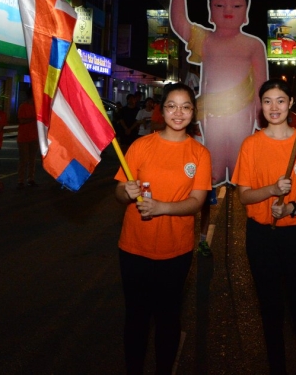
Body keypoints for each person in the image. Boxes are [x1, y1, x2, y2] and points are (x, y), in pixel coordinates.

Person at [234, 79, 296, 375]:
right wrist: (271, 189)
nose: (274, 107)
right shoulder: (251, 145)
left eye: (280, 100)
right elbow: (243, 196)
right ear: (260, 105)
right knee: (270, 310)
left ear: (291, 103)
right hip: (261, 238)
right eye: (267, 101)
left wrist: (292, 206)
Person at [114, 82, 212, 375]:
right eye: (171, 106)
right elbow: (119, 193)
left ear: (193, 112)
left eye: (185, 107)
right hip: (133, 248)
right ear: (161, 110)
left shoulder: (199, 154)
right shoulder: (141, 146)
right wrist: (126, 191)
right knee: (136, 318)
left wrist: (161, 207)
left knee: (168, 318)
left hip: (176, 251)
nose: (178, 113)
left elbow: (196, 202)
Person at [170, 0, 268, 256]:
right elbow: (181, 25)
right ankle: (200, 234)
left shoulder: (253, 44)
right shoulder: (207, 40)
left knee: (245, 179)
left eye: (237, 5)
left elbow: (261, 84)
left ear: (246, 13)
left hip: (241, 119)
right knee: (207, 177)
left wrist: (260, 114)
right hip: (211, 117)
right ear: (211, 11)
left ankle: (258, 232)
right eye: (220, 4)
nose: (228, 10)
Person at [16, 86, 38, 188]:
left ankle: (31, 178)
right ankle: (21, 180)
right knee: (24, 160)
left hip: (34, 136)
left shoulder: (37, 107)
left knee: (32, 159)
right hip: (24, 137)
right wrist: (34, 118)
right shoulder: (23, 106)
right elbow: (21, 121)